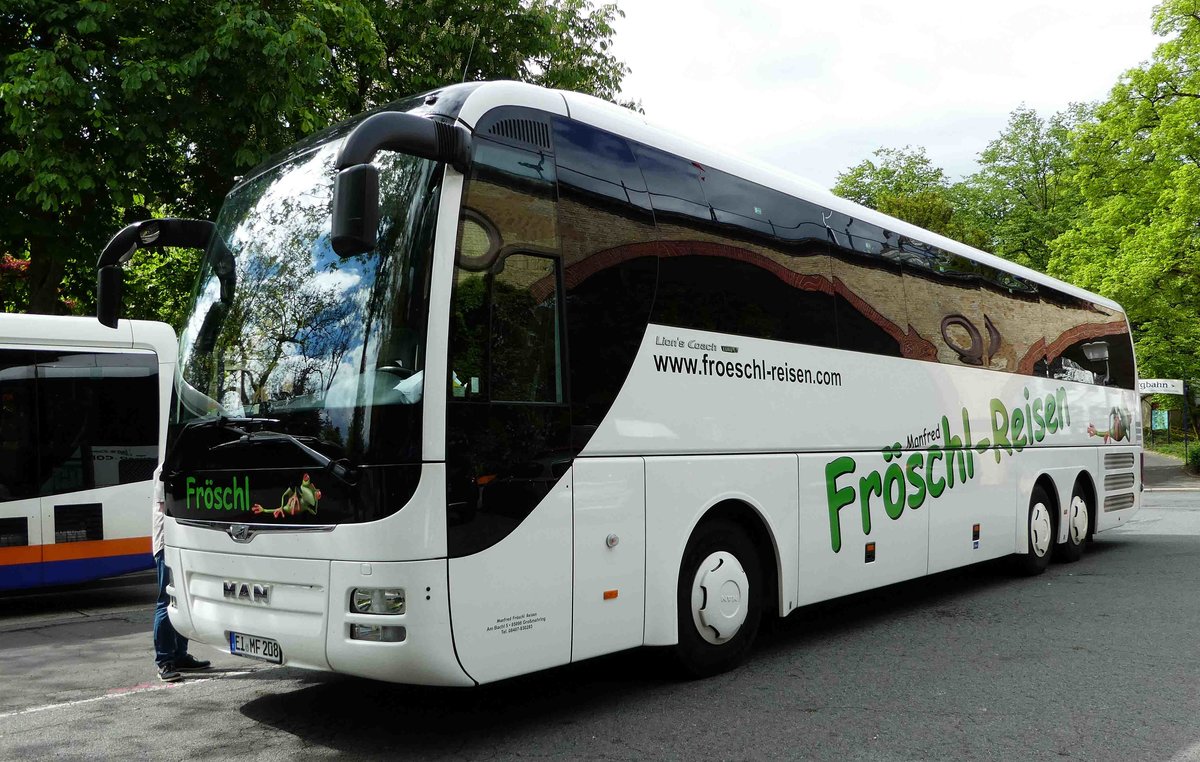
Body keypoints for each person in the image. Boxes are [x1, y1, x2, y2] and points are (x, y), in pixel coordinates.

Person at [153, 472, 211, 682]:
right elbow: (167, 507)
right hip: (167, 545)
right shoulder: (164, 470)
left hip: (184, 544)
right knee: (166, 600)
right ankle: (164, 661)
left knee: (182, 600)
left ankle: (180, 655)